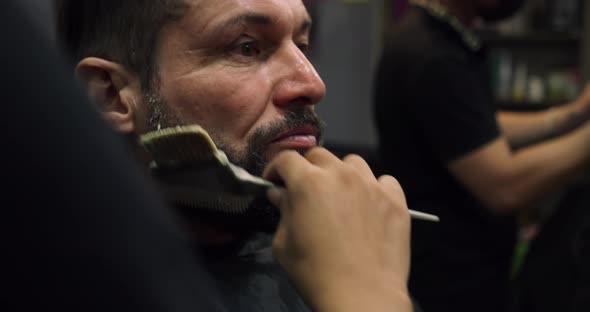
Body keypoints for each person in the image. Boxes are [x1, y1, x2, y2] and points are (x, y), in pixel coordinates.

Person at [54, 0, 414, 311]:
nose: (312, 84)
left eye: (301, 43)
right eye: (247, 48)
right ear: (111, 95)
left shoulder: (331, 246)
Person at [373, 0, 590, 311]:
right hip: (450, 282)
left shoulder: (432, 36)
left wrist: (571, 115)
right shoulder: (433, 56)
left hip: (458, 268)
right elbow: (504, 187)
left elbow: (473, 128)